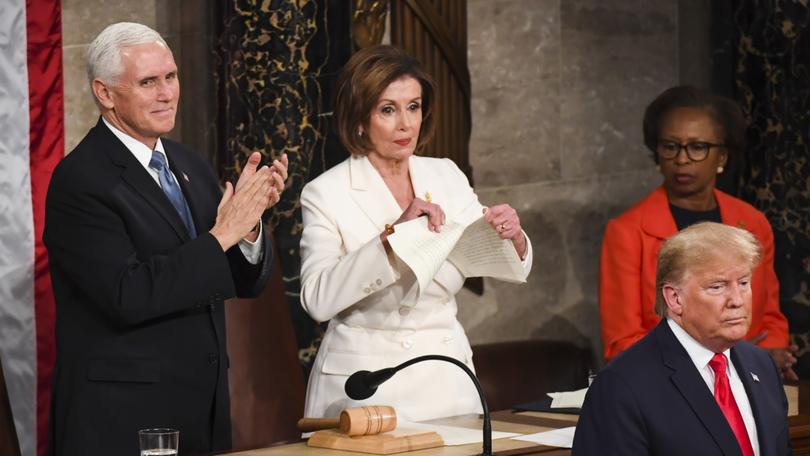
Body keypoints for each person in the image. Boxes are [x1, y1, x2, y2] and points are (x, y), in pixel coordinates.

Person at [44, 22, 287, 455]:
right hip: (123, 421)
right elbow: (128, 294)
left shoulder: (188, 162)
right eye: (148, 82)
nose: (167, 93)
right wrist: (222, 234)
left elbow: (239, 282)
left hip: (201, 413)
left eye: (171, 77)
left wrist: (248, 226)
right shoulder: (80, 180)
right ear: (104, 93)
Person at [298, 45, 533, 421]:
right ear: (359, 118)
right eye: (388, 109)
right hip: (367, 388)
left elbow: (489, 253)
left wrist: (513, 237)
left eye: (414, 106)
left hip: (447, 378)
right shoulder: (326, 192)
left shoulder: (446, 174)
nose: (406, 124)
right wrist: (392, 240)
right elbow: (317, 299)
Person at [599, 86, 797, 379]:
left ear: (721, 157)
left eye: (697, 147)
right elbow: (622, 342)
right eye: (670, 146)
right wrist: (710, 364)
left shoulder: (751, 222)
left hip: (748, 381)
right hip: (667, 385)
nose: (682, 159)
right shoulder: (627, 232)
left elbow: (770, 319)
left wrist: (762, 358)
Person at [574, 222, 790, 455]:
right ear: (675, 298)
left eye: (744, 283)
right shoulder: (621, 387)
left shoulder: (761, 365)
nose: (737, 300)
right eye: (718, 287)